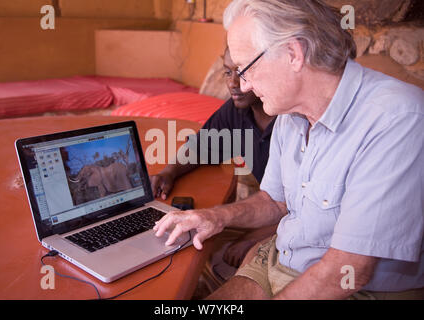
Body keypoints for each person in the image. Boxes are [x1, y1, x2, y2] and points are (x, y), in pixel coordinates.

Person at [154, 0, 424, 300]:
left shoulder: (396, 119)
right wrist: (215, 217)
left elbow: (349, 271)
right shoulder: (289, 113)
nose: (242, 85)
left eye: (245, 69)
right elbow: (275, 200)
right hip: (282, 258)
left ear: (293, 54)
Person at [151, 47, 277, 292]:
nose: (232, 83)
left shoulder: (294, 118)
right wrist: (170, 171)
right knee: (193, 248)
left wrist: (256, 239)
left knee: (220, 258)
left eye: (241, 72)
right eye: (227, 72)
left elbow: (305, 207)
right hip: (273, 211)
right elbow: (201, 147)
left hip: (297, 225)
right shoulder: (237, 110)